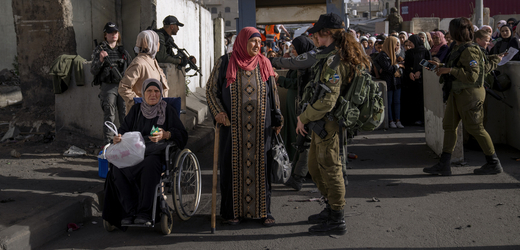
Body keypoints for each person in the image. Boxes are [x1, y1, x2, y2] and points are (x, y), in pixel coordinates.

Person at [297, 12, 370, 235]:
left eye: (317, 35)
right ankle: (330, 207)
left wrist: (304, 117)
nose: (315, 40)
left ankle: (337, 218)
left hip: (328, 122)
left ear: (327, 33)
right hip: (321, 122)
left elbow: (328, 101)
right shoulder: (330, 56)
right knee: (314, 167)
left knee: (331, 169)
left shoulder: (335, 60)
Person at [206, 27, 283, 227]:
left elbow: (273, 93)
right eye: (253, 41)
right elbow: (211, 90)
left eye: (259, 42)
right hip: (232, 129)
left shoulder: (264, 63)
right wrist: (218, 112)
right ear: (242, 41)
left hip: (260, 130)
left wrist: (277, 118)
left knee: (262, 168)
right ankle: (232, 213)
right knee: (231, 169)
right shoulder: (225, 62)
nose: (257, 46)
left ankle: (264, 211)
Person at [423, 17, 504, 176]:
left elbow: (473, 76)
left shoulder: (470, 50)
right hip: (457, 92)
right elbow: (456, 66)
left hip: (470, 94)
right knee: (449, 126)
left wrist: (450, 71)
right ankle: (444, 164)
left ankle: (493, 163)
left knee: (475, 128)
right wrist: (439, 66)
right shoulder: (458, 47)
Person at [104, 78, 188, 226]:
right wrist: (117, 138)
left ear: (161, 93)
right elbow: (123, 131)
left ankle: (145, 212)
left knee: (150, 165)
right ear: (143, 93)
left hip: (155, 154)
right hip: (133, 154)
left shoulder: (167, 110)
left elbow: (182, 134)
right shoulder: (136, 111)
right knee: (116, 168)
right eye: (149, 91)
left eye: (156, 91)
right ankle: (129, 211)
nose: (153, 94)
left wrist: (166, 134)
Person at [271, 36, 316, 191]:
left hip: (300, 103)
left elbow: (298, 84)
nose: (293, 52)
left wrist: (280, 79)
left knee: (301, 137)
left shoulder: (306, 65)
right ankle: (297, 171)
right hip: (294, 102)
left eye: (295, 49)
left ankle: (299, 174)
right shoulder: (301, 62)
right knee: (297, 136)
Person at [91, 22, 132, 144]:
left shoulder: (122, 51)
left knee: (125, 114)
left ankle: (126, 143)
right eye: (110, 32)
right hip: (108, 86)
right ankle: (108, 144)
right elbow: (93, 70)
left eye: (115, 32)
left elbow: (131, 68)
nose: (113, 35)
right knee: (109, 115)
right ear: (105, 35)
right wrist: (101, 59)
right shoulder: (100, 50)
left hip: (122, 86)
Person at [119, 30, 169, 113]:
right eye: (157, 41)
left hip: (156, 112)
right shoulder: (139, 63)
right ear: (151, 43)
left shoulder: (153, 61)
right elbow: (123, 88)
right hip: (142, 115)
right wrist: (140, 103)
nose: (159, 44)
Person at [376, 36, 404, 129]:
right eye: (395, 44)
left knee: (397, 102)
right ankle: (391, 121)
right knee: (388, 102)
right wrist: (398, 65)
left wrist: (399, 64)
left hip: (397, 82)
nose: (397, 46)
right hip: (388, 82)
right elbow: (388, 69)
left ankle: (398, 120)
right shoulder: (383, 55)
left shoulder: (395, 54)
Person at [402, 35, 431, 125]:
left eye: (411, 43)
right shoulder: (409, 52)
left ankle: (421, 118)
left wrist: (420, 72)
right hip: (411, 80)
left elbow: (429, 65)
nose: (409, 45)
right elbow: (406, 66)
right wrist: (410, 72)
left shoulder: (425, 52)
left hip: (422, 81)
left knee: (421, 100)